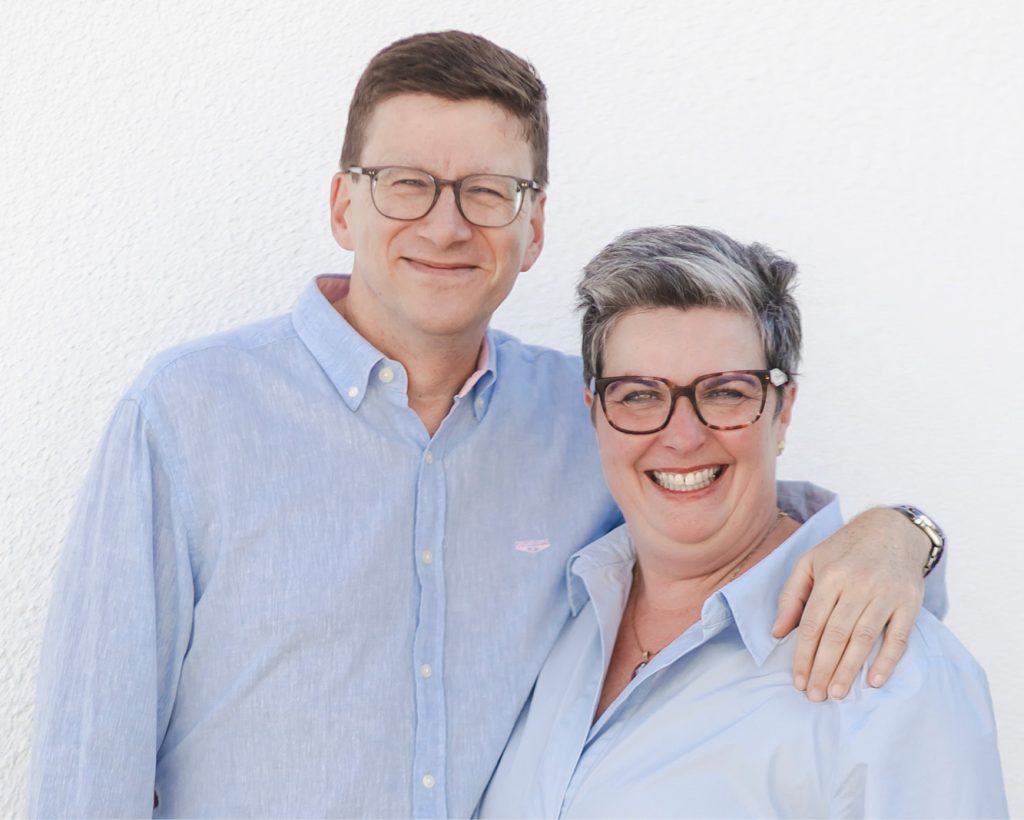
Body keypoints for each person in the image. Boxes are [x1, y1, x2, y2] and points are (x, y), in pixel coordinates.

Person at [29, 32, 947, 818]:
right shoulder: (189, 414)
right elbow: (91, 753)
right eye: (406, 183)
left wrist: (904, 537)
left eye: (487, 191)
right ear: (344, 204)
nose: (446, 225)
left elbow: (734, 512)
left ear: (533, 226)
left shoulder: (593, 417)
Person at [479, 225, 1005, 818]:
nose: (682, 437)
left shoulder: (893, 676)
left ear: (783, 412)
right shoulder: (561, 614)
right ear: (595, 414)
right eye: (639, 395)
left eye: (726, 392)